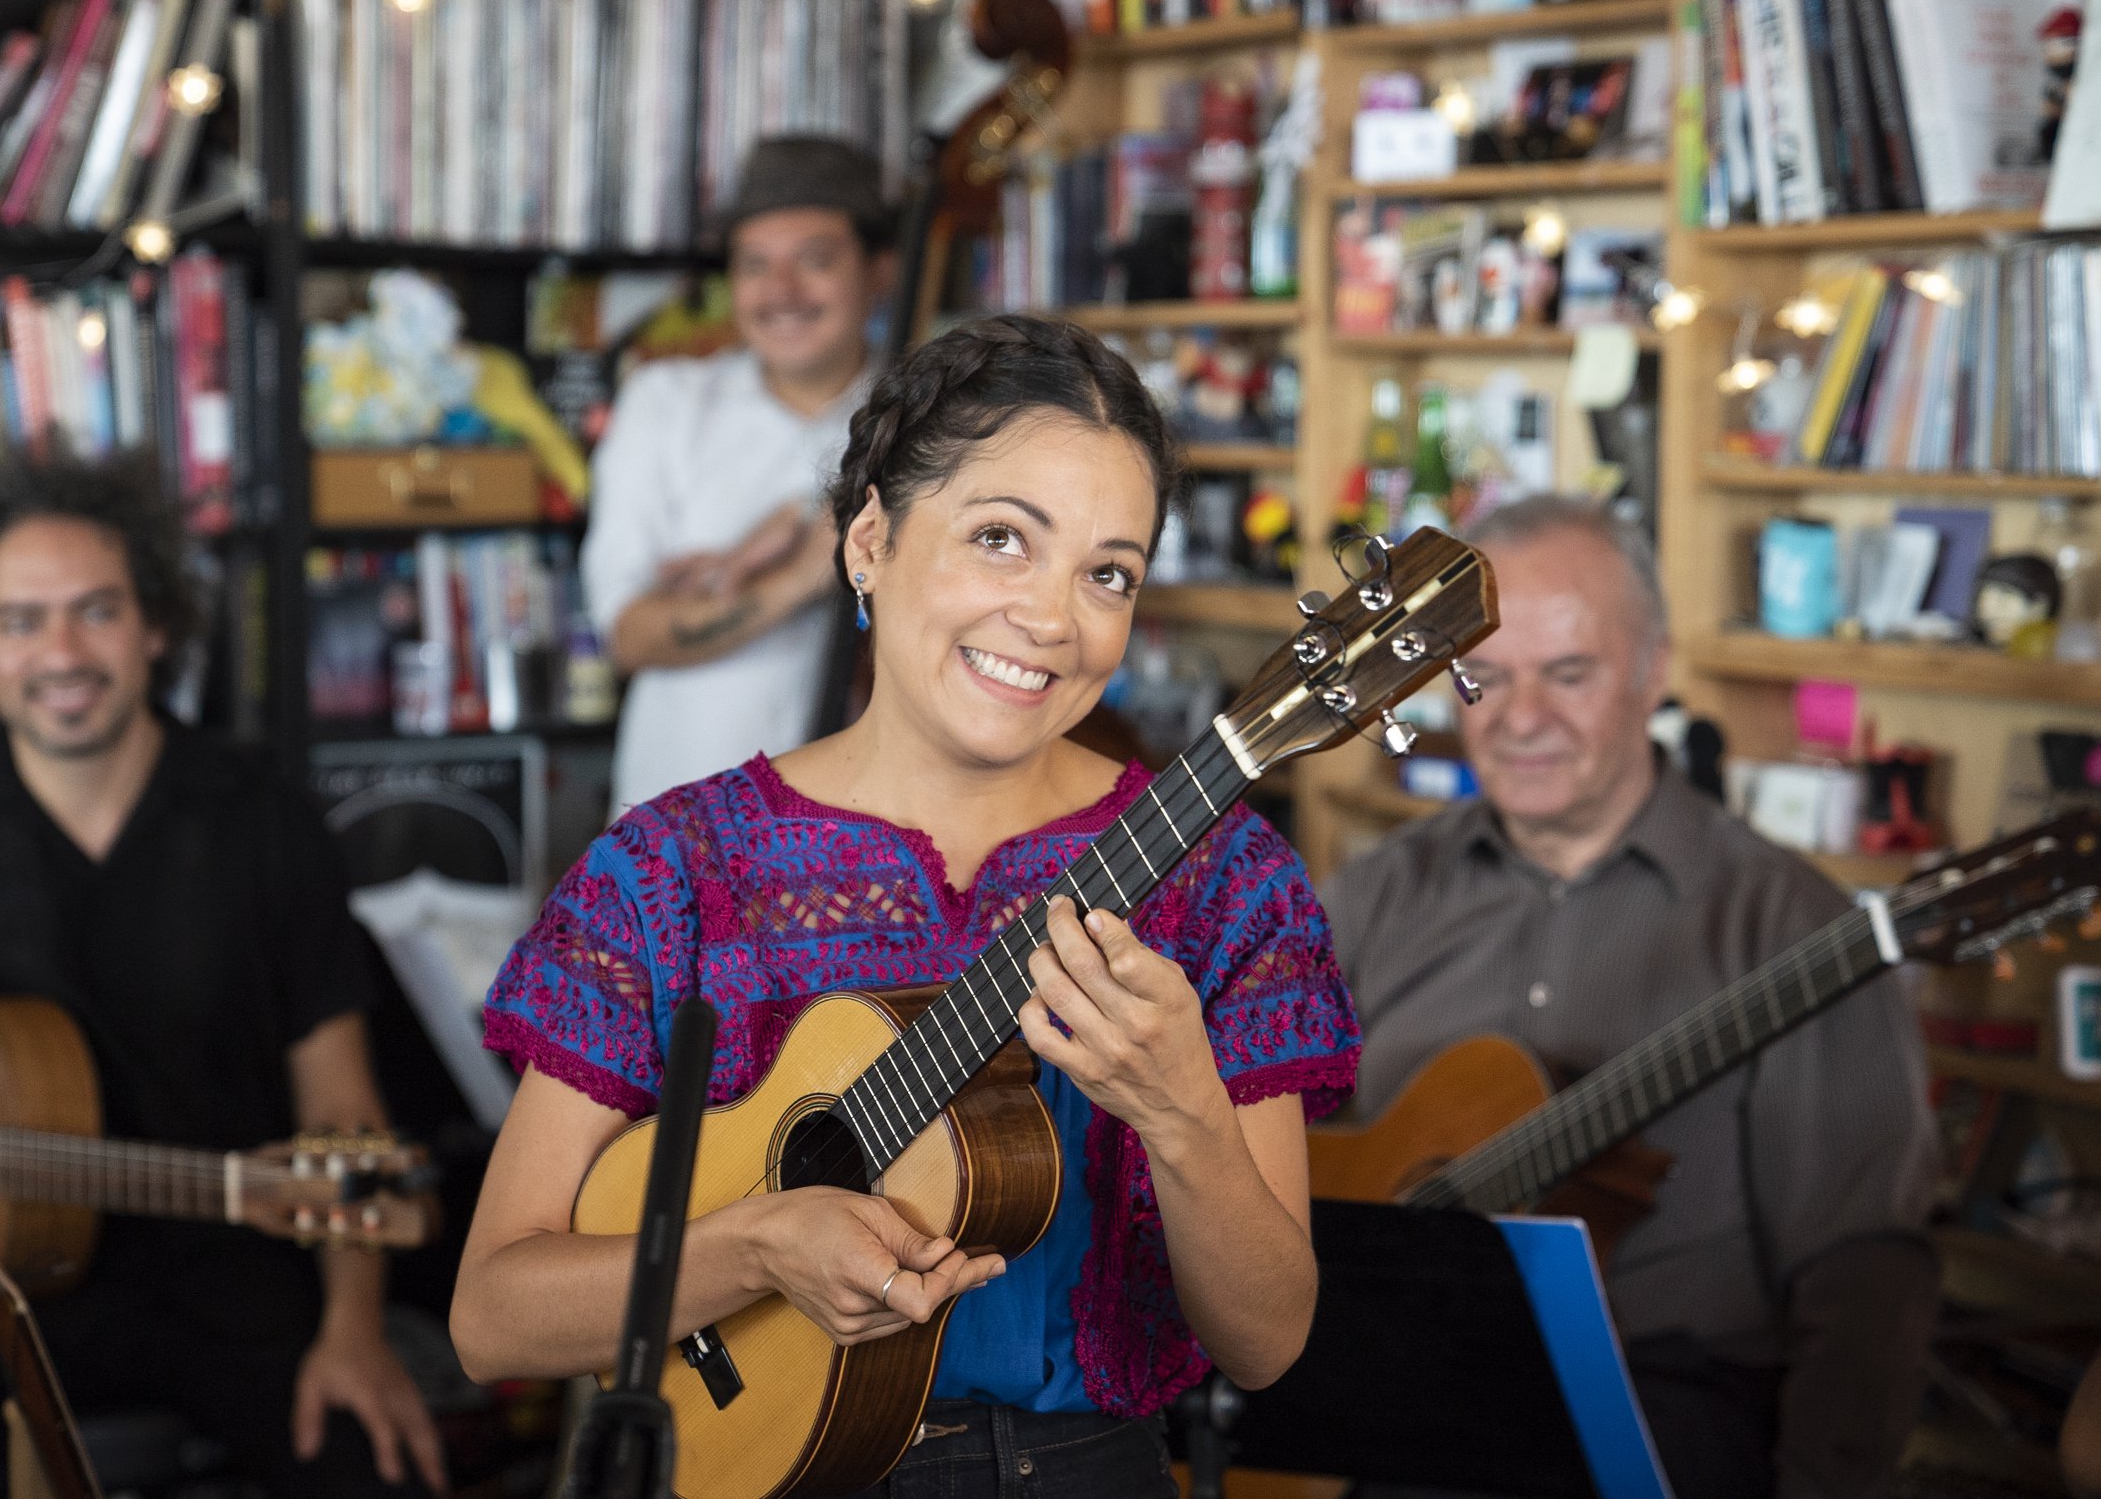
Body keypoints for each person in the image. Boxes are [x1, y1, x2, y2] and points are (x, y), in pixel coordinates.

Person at [454, 314, 1360, 1495]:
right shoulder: (674, 871)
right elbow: (493, 1314)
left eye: (1108, 573)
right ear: (870, 538)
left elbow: (1267, 1340)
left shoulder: (1224, 882)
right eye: (1001, 539)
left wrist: (1183, 1112)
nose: (1051, 618)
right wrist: (755, 1248)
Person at [0, 449, 445, 1498]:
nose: (61, 651)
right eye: (20, 621)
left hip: (227, 1280)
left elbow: (344, 1106)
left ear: (156, 626)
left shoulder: (264, 822)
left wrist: (354, 1327)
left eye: (96, 611)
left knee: (374, 1466)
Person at [1322, 495, 1938, 1499]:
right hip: (1386, 1393)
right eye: (1487, 677)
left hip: (1656, 1409)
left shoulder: (1792, 925)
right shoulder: (1378, 892)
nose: (1521, 718)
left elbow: (1865, 1276)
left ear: (1652, 671)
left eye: (1568, 673)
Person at [581, 134, 898, 816]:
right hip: (682, 833)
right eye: (756, 265)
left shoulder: (929, 420)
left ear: (880, 270)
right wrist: (800, 576)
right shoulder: (664, 402)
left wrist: (727, 585)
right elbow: (631, 634)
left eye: (814, 261)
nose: (781, 292)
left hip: (875, 835)